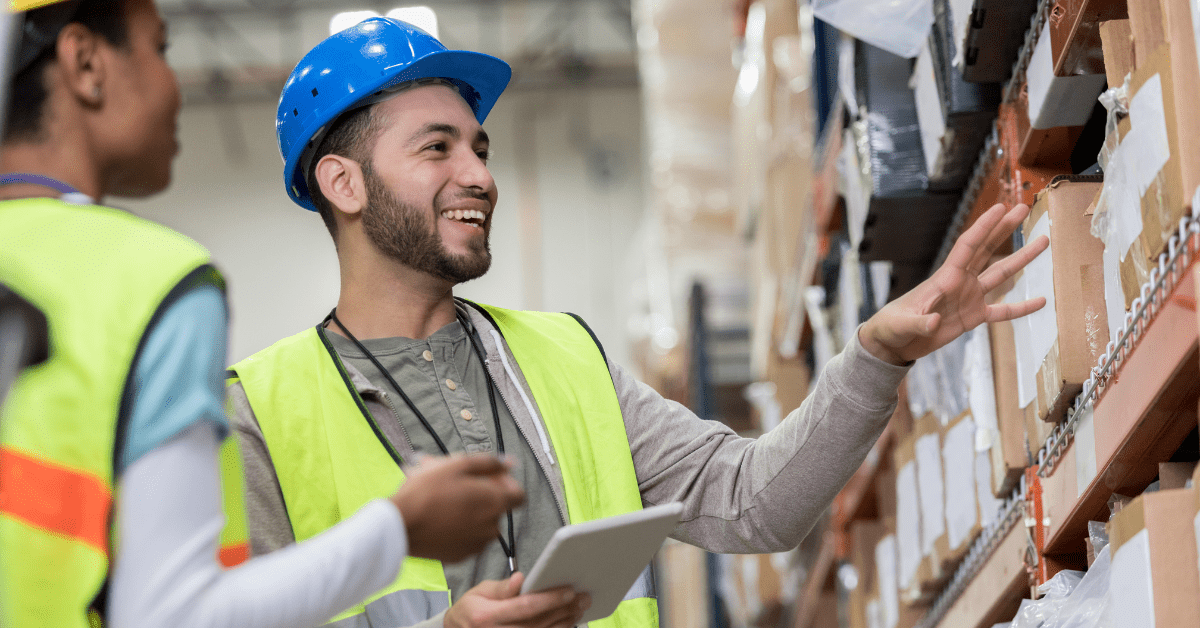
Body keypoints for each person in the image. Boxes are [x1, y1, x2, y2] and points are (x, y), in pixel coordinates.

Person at [228, 17, 1049, 628]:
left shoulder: (563, 357)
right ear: (343, 183)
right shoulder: (257, 413)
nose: (479, 174)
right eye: (436, 149)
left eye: (480, 147)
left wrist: (874, 355)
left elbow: (753, 503)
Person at [0, 2, 530, 627]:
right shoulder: (143, 279)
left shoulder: (558, 356)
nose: (176, 88)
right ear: (86, 62)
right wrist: (398, 530)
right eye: (160, 47)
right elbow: (169, 614)